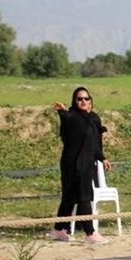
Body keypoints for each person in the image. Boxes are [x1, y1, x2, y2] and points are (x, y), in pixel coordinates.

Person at [49, 87, 111, 244]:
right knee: (83, 196)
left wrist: (102, 158)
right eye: (79, 99)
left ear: (91, 101)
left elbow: (95, 143)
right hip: (71, 163)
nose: (83, 101)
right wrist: (62, 111)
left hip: (86, 163)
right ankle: (90, 233)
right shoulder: (72, 116)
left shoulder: (94, 119)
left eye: (86, 98)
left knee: (69, 198)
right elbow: (67, 120)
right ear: (74, 101)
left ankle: (58, 230)